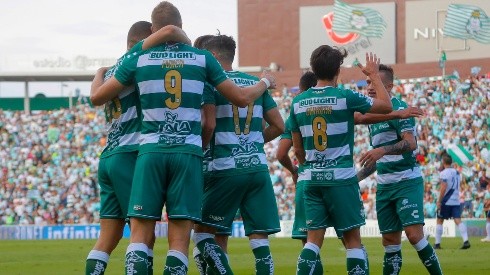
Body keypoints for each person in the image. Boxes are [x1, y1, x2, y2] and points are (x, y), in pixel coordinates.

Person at [90, 2, 276, 274]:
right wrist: (266, 83)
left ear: (153, 29)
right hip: (188, 154)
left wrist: (101, 71)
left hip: (150, 152)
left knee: (141, 234)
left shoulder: (137, 58)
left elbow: (97, 97)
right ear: (182, 25)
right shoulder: (202, 58)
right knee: (179, 241)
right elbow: (240, 98)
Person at [290, 47, 393, 275]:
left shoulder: (298, 102)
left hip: (312, 179)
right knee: (352, 240)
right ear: (338, 70)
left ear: (314, 69)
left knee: (312, 241)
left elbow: (297, 150)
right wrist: (374, 75)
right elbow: (387, 106)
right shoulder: (345, 97)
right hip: (341, 179)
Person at [195, 34, 284, 274]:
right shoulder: (254, 83)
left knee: (202, 236)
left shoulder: (210, 82)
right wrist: (252, 143)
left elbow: (208, 125)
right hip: (256, 167)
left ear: (213, 57)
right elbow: (279, 126)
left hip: (224, 168)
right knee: (260, 240)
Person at [356, 64, 443, 274]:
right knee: (389, 242)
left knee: (414, 236)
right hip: (385, 185)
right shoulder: (372, 115)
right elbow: (377, 159)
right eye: (368, 82)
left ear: (389, 86)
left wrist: (382, 150)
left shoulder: (400, 108)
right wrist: (355, 178)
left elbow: (411, 144)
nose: (369, 86)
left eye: (374, 82)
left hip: (406, 181)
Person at [85, 21, 153, 275]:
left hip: (110, 155)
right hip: (131, 153)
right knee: (143, 233)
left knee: (107, 239)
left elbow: (95, 95)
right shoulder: (137, 62)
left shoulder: (111, 71)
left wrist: (99, 72)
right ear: (144, 40)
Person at [435, 154, 470, 249]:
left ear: (443, 162)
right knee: (458, 220)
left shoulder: (444, 173)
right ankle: (466, 241)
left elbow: (443, 187)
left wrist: (439, 201)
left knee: (439, 220)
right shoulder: (457, 172)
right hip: (456, 200)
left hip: (446, 200)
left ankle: (437, 244)